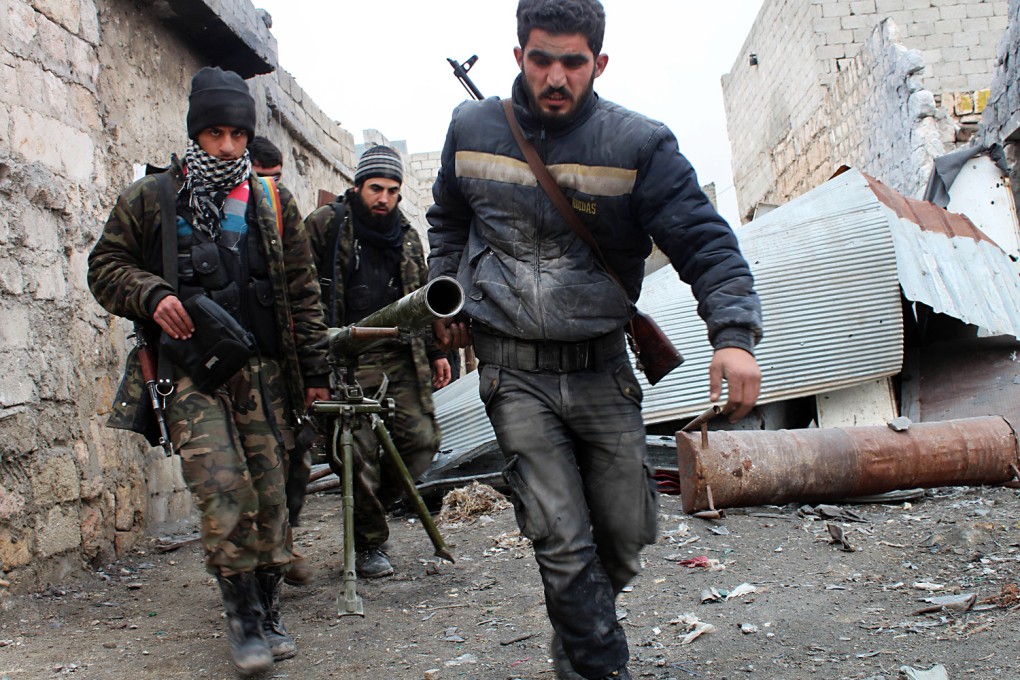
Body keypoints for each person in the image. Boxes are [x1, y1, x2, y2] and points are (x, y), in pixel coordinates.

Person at [426, 1, 763, 678]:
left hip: (602, 367)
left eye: (572, 62)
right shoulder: (470, 128)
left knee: (625, 533)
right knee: (560, 538)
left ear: (598, 63)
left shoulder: (638, 145)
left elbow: (704, 242)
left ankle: (576, 630)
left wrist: (733, 335)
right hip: (512, 371)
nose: (556, 76)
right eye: (541, 58)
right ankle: (599, 664)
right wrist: (448, 283)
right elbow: (448, 220)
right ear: (519, 54)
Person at [88, 66, 331, 676]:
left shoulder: (274, 203)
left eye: (237, 135)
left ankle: (271, 607)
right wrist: (149, 293)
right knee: (222, 490)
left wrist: (315, 373)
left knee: (272, 495)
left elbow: (303, 294)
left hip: (266, 375)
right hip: (190, 374)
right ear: (196, 132)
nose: (226, 147)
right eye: (214, 134)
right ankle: (243, 617)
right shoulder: (151, 199)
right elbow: (105, 267)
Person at [304, 145, 451, 579]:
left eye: (392, 190)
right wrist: (313, 361)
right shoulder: (325, 227)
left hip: (398, 354)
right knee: (357, 454)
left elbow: (419, 298)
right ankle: (370, 542)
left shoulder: (405, 235)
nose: (384, 198)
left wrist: (438, 353)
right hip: (343, 354)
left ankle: (370, 510)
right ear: (357, 186)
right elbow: (300, 293)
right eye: (375, 188)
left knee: (422, 443)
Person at [244, 134, 316, 589]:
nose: (268, 189)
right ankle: (259, 572)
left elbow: (305, 293)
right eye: (262, 179)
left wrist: (314, 370)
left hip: (281, 364)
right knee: (248, 473)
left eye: (276, 181)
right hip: (226, 367)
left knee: (295, 461)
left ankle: (282, 539)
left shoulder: (281, 210)